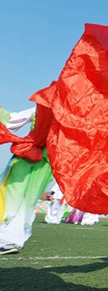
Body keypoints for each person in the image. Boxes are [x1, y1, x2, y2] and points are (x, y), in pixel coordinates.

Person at [0, 106, 54, 255]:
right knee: (30, 197)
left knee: (11, 192)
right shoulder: (76, 111)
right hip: (49, 158)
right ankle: (15, 238)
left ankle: (7, 239)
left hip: (29, 153)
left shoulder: (43, 105)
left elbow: (12, 121)